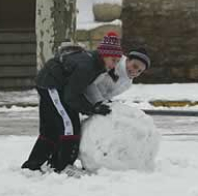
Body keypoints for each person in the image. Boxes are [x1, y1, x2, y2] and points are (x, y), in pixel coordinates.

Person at [21, 32, 123, 173]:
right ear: (103, 55)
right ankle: (63, 166)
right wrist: (92, 109)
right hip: (52, 85)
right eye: (113, 60)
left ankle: (33, 165)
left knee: (51, 130)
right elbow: (71, 96)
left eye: (117, 62)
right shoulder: (87, 66)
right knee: (70, 126)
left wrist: (96, 105)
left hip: (53, 85)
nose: (114, 65)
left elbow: (78, 89)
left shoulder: (95, 64)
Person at [84, 47, 151, 105]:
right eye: (135, 66)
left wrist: (105, 104)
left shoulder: (127, 84)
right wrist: (99, 102)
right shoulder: (111, 64)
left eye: (140, 71)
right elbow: (89, 83)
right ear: (127, 60)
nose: (135, 72)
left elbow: (108, 96)